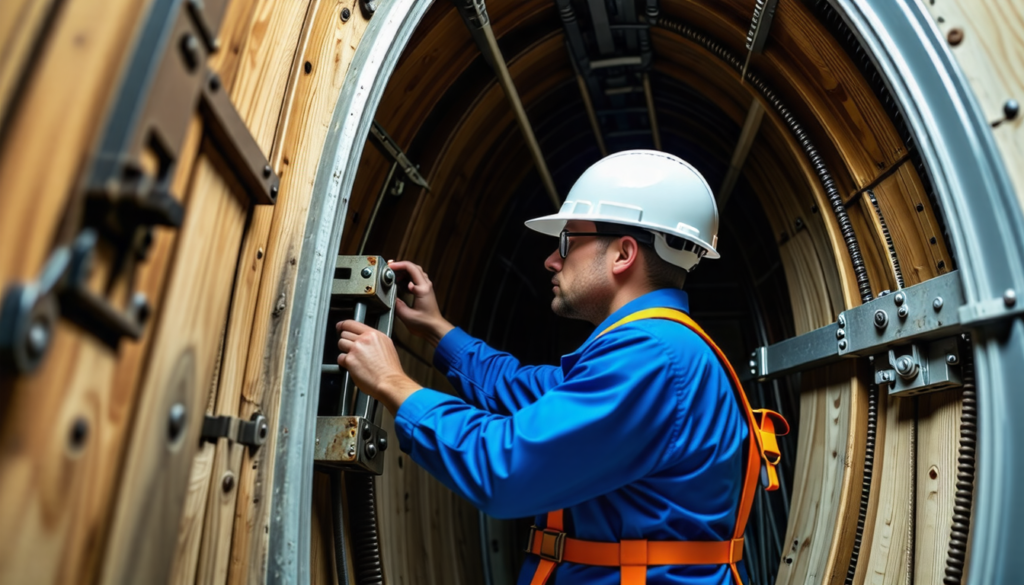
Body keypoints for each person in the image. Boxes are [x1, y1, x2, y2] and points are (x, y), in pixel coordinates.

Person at [336, 150, 785, 585]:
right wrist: (438, 329)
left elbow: (504, 468)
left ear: (623, 254)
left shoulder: (650, 359)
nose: (552, 259)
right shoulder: (658, 348)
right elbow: (522, 388)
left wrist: (393, 382)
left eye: (568, 240)